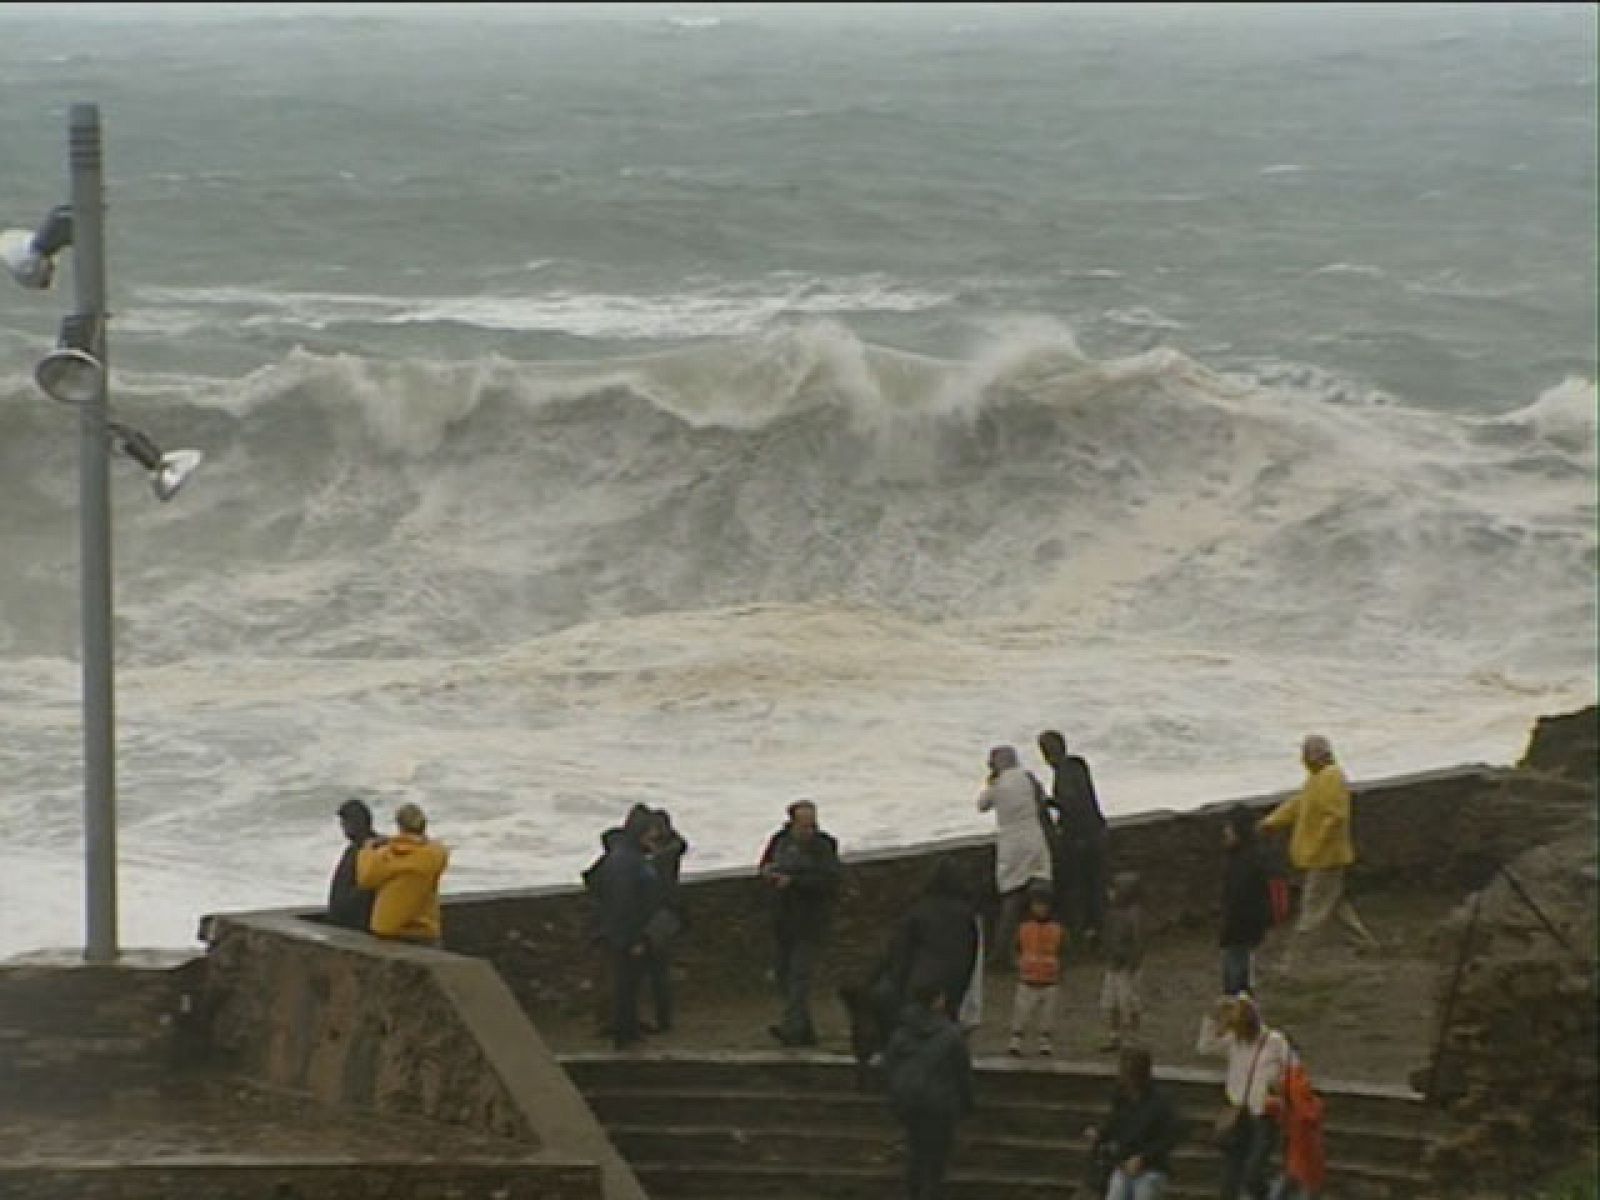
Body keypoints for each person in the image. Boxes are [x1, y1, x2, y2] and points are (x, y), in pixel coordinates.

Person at [1257, 735, 1379, 975]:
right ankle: (1365, 943)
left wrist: (1317, 847)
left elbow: (1336, 817)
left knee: (1312, 910)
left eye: (1306, 753)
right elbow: (1298, 805)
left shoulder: (1331, 778)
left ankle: (1293, 963)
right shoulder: (1317, 780)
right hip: (1323, 856)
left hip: (1326, 858)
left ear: (1317, 755)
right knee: (1334, 903)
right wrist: (1271, 822)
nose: (1302, 758)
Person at [759, 800, 841, 1047]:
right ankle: (804, 1031)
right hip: (783, 921)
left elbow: (829, 880)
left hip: (810, 923)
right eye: (804, 825)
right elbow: (764, 864)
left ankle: (793, 1030)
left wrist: (794, 882)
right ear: (791, 822)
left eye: (812, 824)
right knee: (784, 976)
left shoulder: (824, 846)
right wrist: (769, 874)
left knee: (799, 977)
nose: (809, 830)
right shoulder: (779, 841)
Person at [884, 980, 975, 1200]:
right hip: (941, 1103)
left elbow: (889, 1067)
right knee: (937, 1158)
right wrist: (968, 1104)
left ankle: (914, 1192)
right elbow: (963, 1073)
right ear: (937, 1002)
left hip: (910, 1100)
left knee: (915, 1152)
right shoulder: (951, 1035)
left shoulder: (900, 1033)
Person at [1197, 994, 1290, 1200]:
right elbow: (1205, 1047)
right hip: (1238, 1113)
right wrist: (1213, 1017)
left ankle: (1272, 1193)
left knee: (1253, 1173)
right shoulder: (1234, 1041)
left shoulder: (1275, 1042)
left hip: (1263, 1115)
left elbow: (1291, 1069)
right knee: (1230, 1179)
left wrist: (1278, 1088)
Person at [588, 805, 662, 1050]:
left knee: (629, 984)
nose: (655, 837)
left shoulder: (628, 857)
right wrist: (634, 938)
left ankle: (629, 1030)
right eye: (652, 832)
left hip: (623, 930)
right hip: (626, 933)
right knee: (624, 984)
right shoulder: (627, 861)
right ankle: (624, 1034)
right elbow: (625, 902)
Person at [977, 745, 1053, 970]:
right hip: (1034, 838)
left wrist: (990, 781)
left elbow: (981, 805)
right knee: (1041, 895)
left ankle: (1003, 952)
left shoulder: (998, 784)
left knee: (1011, 899)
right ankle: (1043, 947)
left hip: (1011, 844)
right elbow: (1041, 798)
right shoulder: (1027, 777)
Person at [885, 856, 981, 1024]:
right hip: (953, 981)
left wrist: (898, 982)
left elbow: (902, 951)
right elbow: (970, 954)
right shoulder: (966, 915)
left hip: (919, 980)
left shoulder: (918, 911)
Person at [1085, 1045, 1182, 1200]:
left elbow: (1170, 1138)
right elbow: (1113, 1124)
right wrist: (1099, 1133)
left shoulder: (1161, 1103)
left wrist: (1144, 1158)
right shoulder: (1121, 1099)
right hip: (1122, 1165)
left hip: (1151, 1169)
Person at [1039, 729, 1109, 944]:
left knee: (1079, 889)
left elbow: (1071, 803)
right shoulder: (1078, 764)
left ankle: (1085, 935)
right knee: (1096, 886)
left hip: (1081, 838)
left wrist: (1047, 803)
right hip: (1096, 832)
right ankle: (1099, 932)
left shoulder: (1063, 773)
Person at [355, 802, 450, 945]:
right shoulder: (435, 854)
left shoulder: (386, 855)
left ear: (399, 825)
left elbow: (366, 879)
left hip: (389, 928)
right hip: (424, 928)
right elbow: (436, 850)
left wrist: (366, 850)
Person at [640, 806, 689, 1034]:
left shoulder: (663, 855)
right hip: (665, 913)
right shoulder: (670, 849)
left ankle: (661, 1019)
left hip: (660, 914)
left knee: (657, 969)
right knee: (658, 970)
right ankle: (661, 1018)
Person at [1220, 805, 1273, 996]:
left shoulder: (1243, 862)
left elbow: (1239, 898)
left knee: (1236, 976)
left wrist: (1228, 927)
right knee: (1243, 970)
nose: (1225, 832)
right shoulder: (1252, 856)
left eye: (1229, 828)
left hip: (1239, 927)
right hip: (1247, 926)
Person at [1008, 879, 1064, 1057]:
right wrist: (1018, 963)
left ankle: (1044, 1040)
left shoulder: (1057, 929)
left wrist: (1060, 968)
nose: (1040, 909)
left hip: (1050, 979)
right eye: (1037, 904)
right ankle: (1016, 1039)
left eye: (1044, 905)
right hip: (1027, 978)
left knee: (1047, 1015)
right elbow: (1016, 947)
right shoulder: (1024, 928)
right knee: (1022, 1012)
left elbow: (1063, 950)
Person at [1100, 872, 1145, 1052]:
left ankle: (1132, 1037)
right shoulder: (1112, 913)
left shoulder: (1134, 915)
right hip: (1113, 965)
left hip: (1127, 967)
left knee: (1130, 1001)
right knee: (1111, 1002)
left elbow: (1138, 941)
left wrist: (1132, 963)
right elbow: (1108, 937)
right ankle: (1114, 1035)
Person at [326, 798, 378, 932]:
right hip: (344, 924)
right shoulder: (354, 848)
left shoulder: (374, 849)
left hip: (358, 925)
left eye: (345, 822)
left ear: (357, 823)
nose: (342, 826)